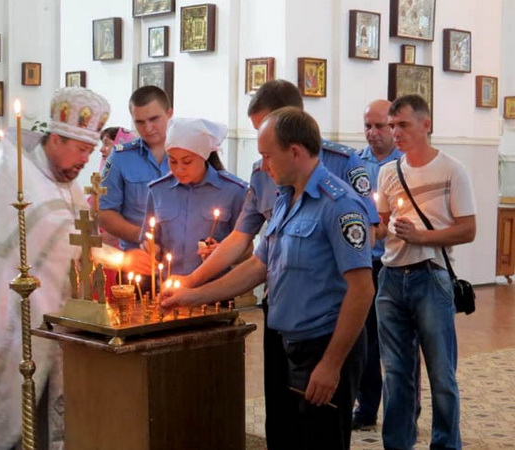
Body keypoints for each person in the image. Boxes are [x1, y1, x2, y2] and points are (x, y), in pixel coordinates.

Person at [171, 79, 378, 450]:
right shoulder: (284, 199)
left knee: (321, 440)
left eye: (267, 155)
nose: (262, 165)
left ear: (295, 151)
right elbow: (257, 265)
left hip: (323, 344)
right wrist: (191, 294)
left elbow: (362, 290)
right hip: (288, 341)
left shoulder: (338, 204)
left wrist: (331, 364)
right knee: (286, 435)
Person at [0, 87, 138, 449]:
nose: (86, 161)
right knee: (7, 413)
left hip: (54, 318)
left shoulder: (64, 183)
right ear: (56, 139)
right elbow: (59, 235)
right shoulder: (23, 178)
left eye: (91, 151)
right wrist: (122, 258)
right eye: (81, 150)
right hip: (9, 321)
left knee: (45, 409)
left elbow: (81, 235)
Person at [376, 94, 476, 449]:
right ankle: (398, 443)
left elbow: (468, 229)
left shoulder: (451, 169)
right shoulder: (388, 172)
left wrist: (422, 236)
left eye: (402, 124)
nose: (395, 133)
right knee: (397, 373)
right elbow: (381, 225)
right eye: (392, 126)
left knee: (441, 373)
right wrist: (366, 227)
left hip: (431, 276)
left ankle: (446, 443)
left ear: (426, 125)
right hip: (390, 278)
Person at [351, 99, 405, 430]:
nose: (372, 133)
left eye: (379, 126)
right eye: (368, 126)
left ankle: (403, 411)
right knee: (365, 339)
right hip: (365, 263)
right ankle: (367, 406)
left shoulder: (406, 163)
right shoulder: (356, 163)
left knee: (398, 342)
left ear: (394, 126)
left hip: (397, 261)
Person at [142, 118, 247, 279]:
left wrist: (224, 253)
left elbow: (247, 251)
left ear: (204, 156)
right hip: (168, 287)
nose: (179, 169)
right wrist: (151, 249)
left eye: (187, 161)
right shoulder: (158, 191)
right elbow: (149, 239)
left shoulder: (234, 191)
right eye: (172, 160)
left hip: (215, 292)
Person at [100, 85, 173, 250]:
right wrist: (141, 236)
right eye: (140, 122)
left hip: (186, 260)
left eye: (154, 119)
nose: (148, 128)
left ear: (169, 114)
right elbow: (104, 212)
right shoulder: (120, 158)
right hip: (138, 257)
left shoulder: (189, 154)